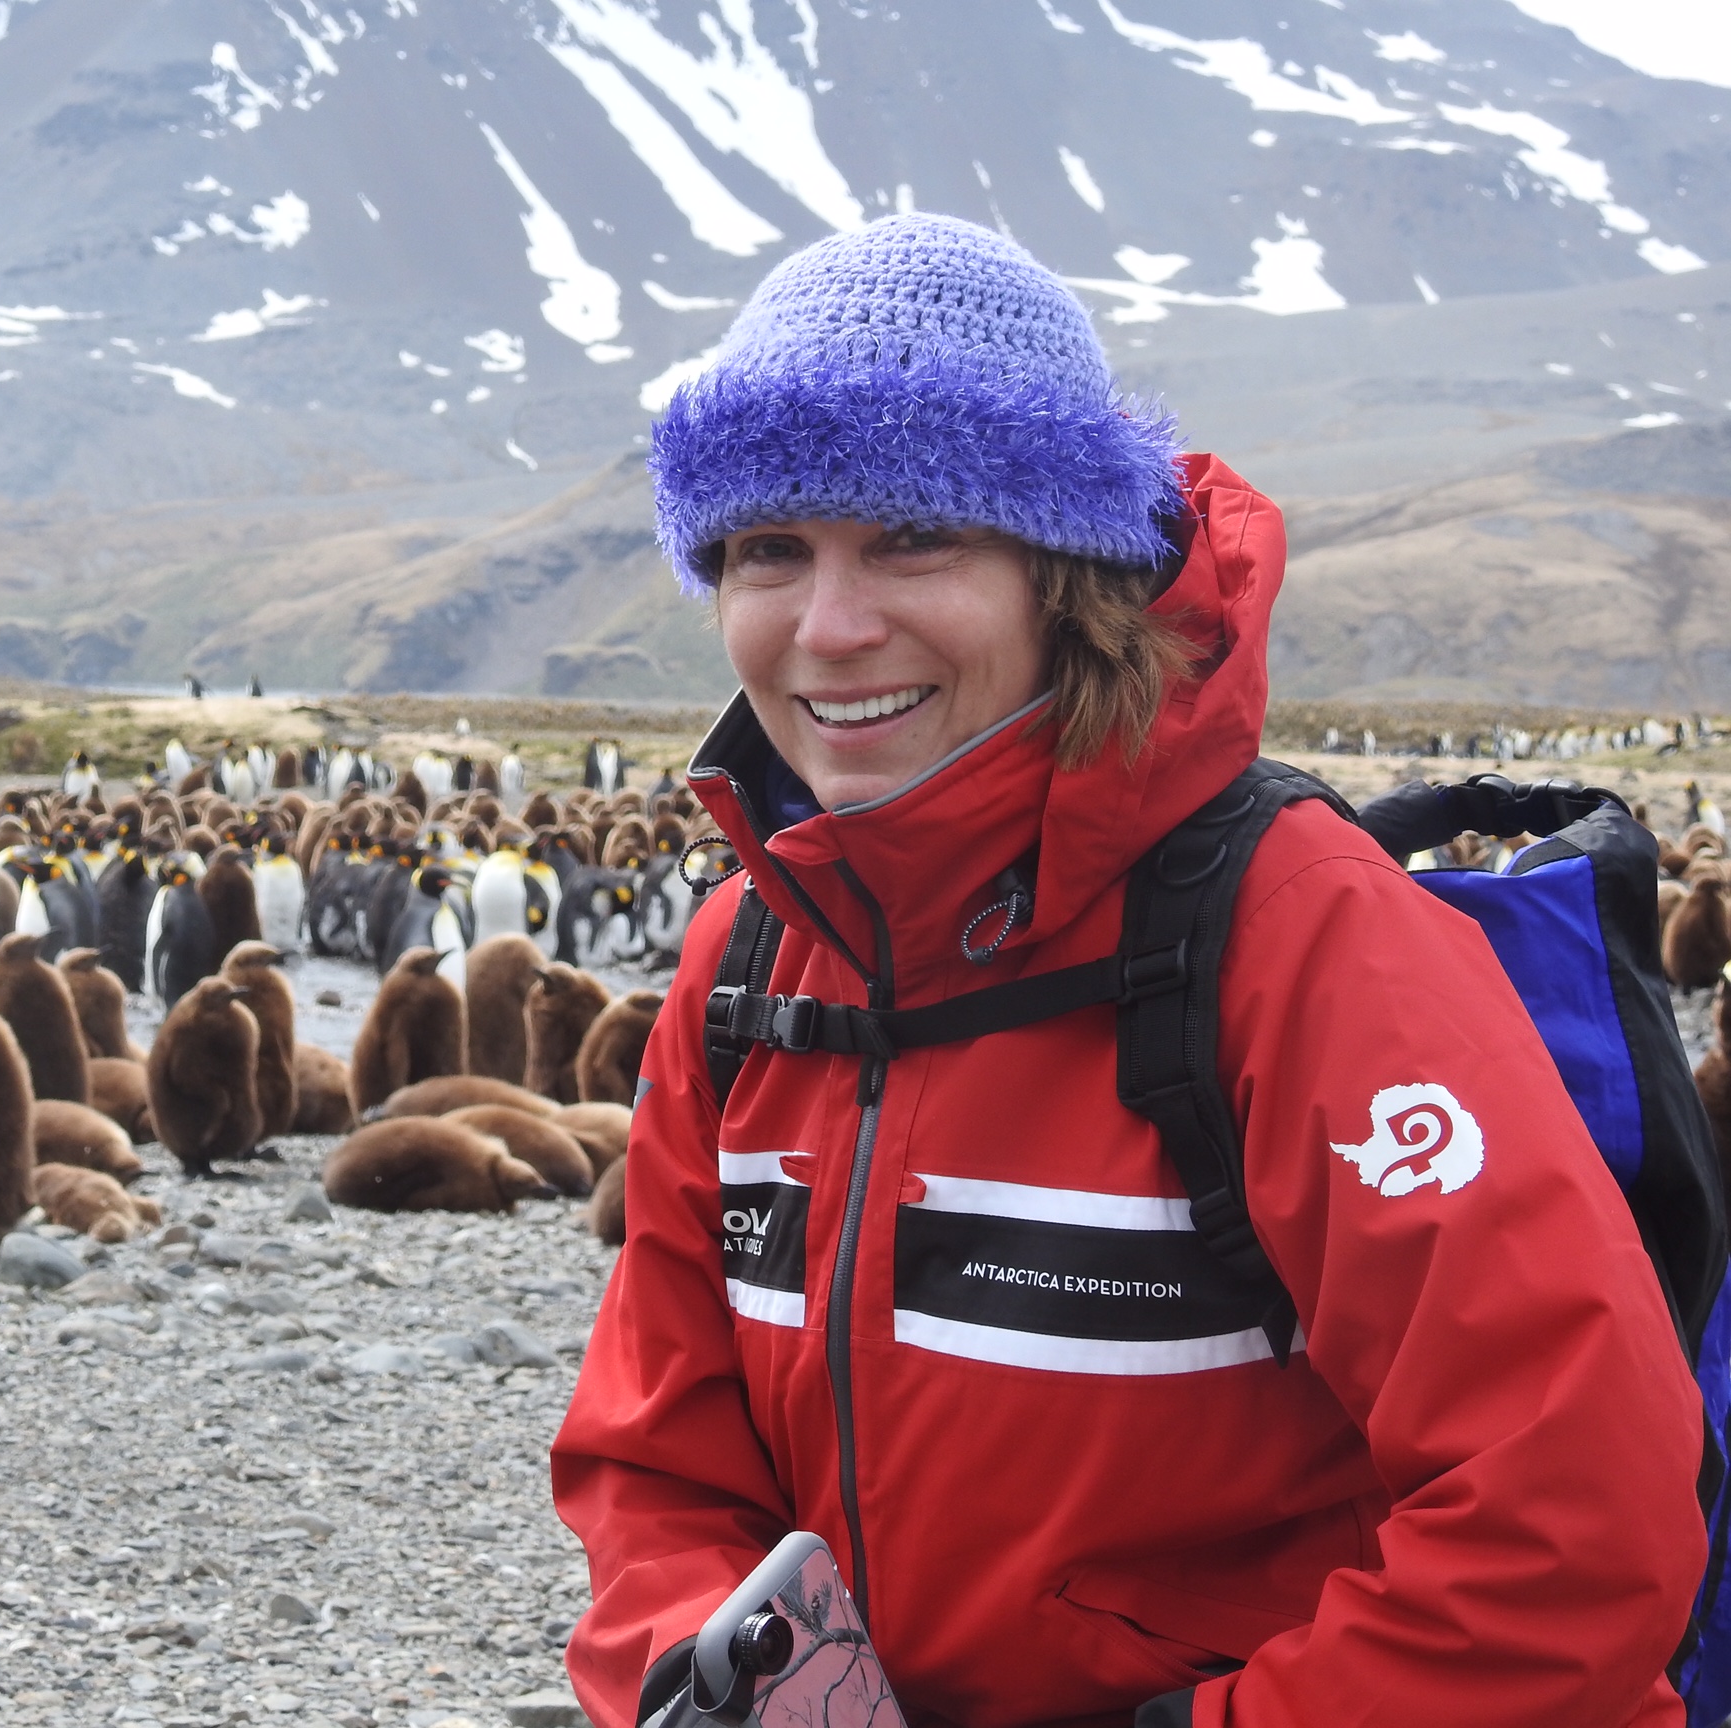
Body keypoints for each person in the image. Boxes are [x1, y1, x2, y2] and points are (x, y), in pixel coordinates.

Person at [550, 214, 1705, 1728]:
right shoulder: (751, 955)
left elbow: (1573, 1525)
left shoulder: (1296, 938)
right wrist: (723, 1680)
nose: (830, 628)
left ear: (1065, 572)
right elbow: (659, 1460)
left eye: (915, 535)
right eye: (771, 548)